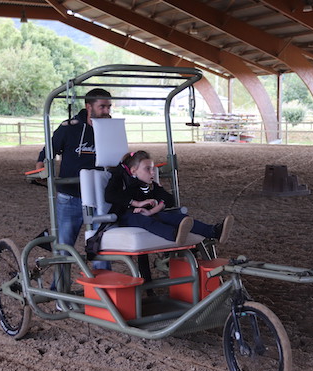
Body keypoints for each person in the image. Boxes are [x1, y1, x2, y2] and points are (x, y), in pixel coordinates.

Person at [36, 88, 112, 275]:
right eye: (102, 106)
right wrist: (42, 167)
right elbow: (48, 151)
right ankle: (60, 291)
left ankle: (103, 292)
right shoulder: (69, 127)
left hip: (99, 196)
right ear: (89, 107)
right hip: (70, 195)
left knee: (101, 245)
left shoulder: (111, 128)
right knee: (64, 246)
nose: (106, 111)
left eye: (109, 107)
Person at [105, 150, 234, 246]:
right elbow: (109, 195)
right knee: (145, 220)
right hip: (128, 216)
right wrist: (137, 203)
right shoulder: (122, 181)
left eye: (152, 169)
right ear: (133, 171)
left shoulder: (151, 186)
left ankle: (215, 231)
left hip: (150, 214)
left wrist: (154, 208)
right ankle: (174, 234)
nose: (152, 173)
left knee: (177, 217)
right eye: (147, 169)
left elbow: (169, 199)